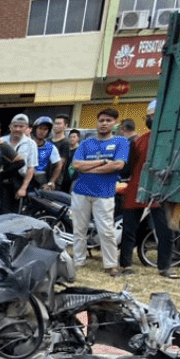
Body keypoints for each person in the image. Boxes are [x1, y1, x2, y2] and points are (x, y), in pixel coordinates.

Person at [118, 100, 177, 276]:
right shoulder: (139, 141)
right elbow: (129, 168)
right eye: (149, 117)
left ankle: (165, 266)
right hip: (136, 188)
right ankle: (126, 265)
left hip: (161, 190)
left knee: (165, 230)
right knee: (129, 229)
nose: (150, 119)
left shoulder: (172, 141)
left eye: (153, 116)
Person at [70, 107, 128, 276]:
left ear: (114, 123)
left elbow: (118, 165)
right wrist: (103, 162)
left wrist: (88, 169)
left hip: (104, 193)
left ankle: (111, 265)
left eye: (108, 121)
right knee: (79, 229)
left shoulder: (120, 142)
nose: (104, 124)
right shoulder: (87, 142)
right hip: (81, 192)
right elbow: (76, 165)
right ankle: (78, 260)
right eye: (101, 120)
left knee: (106, 230)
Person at [0, 114, 37, 214]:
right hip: (2, 180)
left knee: (15, 214)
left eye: (21, 127)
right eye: (15, 126)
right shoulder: (1, 141)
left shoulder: (30, 143)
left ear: (26, 128)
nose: (17, 129)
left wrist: (23, 188)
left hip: (19, 181)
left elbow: (31, 168)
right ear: (10, 127)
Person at [27, 116, 64, 196]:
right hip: (23, 180)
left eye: (45, 129)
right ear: (35, 129)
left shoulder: (51, 147)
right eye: (40, 128)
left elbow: (59, 164)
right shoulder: (26, 144)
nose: (42, 131)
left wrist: (51, 182)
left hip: (40, 183)